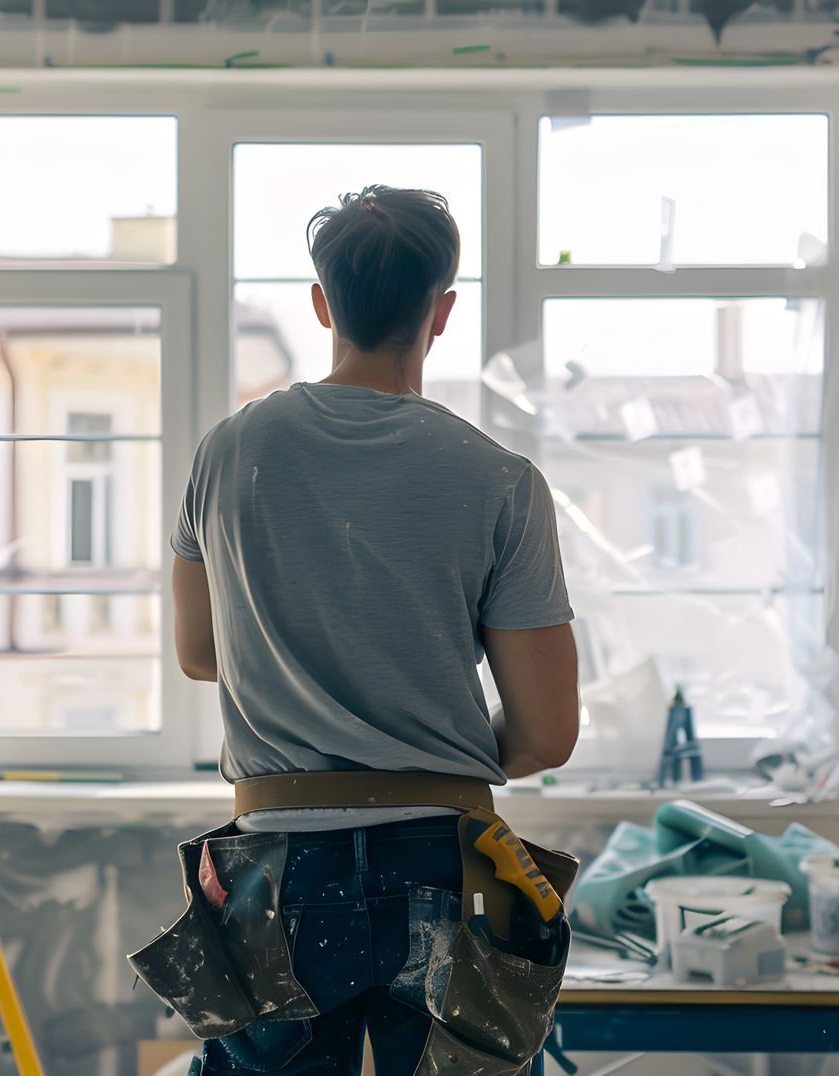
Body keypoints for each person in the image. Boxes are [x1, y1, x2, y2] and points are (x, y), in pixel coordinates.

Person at [154, 184, 581, 1074]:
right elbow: (547, 733)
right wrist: (420, 741)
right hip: (450, 865)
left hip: (275, 865)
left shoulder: (228, 453)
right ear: (442, 312)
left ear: (322, 304)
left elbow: (202, 655)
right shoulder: (500, 480)